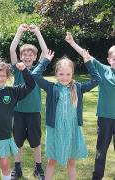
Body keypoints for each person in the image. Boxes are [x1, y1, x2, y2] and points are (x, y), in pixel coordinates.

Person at [32, 49, 101, 180]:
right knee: (52, 161)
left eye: (68, 74)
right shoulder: (51, 88)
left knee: (71, 162)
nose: (65, 77)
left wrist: (88, 63)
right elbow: (35, 75)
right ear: (56, 74)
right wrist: (45, 61)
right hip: (55, 129)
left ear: (72, 74)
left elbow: (97, 79)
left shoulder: (78, 88)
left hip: (72, 129)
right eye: (61, 74)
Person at [65, 32, 115, 180]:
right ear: (109, 59)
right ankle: (97, 176)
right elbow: (87, 56)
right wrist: (72, 42)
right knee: (101, 150)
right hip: (105, 118)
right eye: (114, 58)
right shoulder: (104, 70)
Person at [10, 24, 47, 180]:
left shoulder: (38, 69)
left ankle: (38, 168)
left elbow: (45, 51)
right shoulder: (17, 68)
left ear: (35, 57)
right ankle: (17, 168)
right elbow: (12, 49)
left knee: (36, 142)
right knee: (17, 142)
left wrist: (37, 32)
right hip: (18, 111)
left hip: (34, 112)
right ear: (20, 56)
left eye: (30, 54)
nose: (27, 57)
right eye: (24, 54)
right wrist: (19, 31)